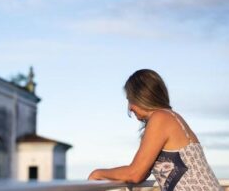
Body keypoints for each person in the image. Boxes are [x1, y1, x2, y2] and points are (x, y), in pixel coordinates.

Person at [88, 69, 222, 191]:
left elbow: (135, 174)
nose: (130, 108)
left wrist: (98, 174)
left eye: (130, 100)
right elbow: (142, 172)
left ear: (142, 97)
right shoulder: (168, 118)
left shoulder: (161, 118)